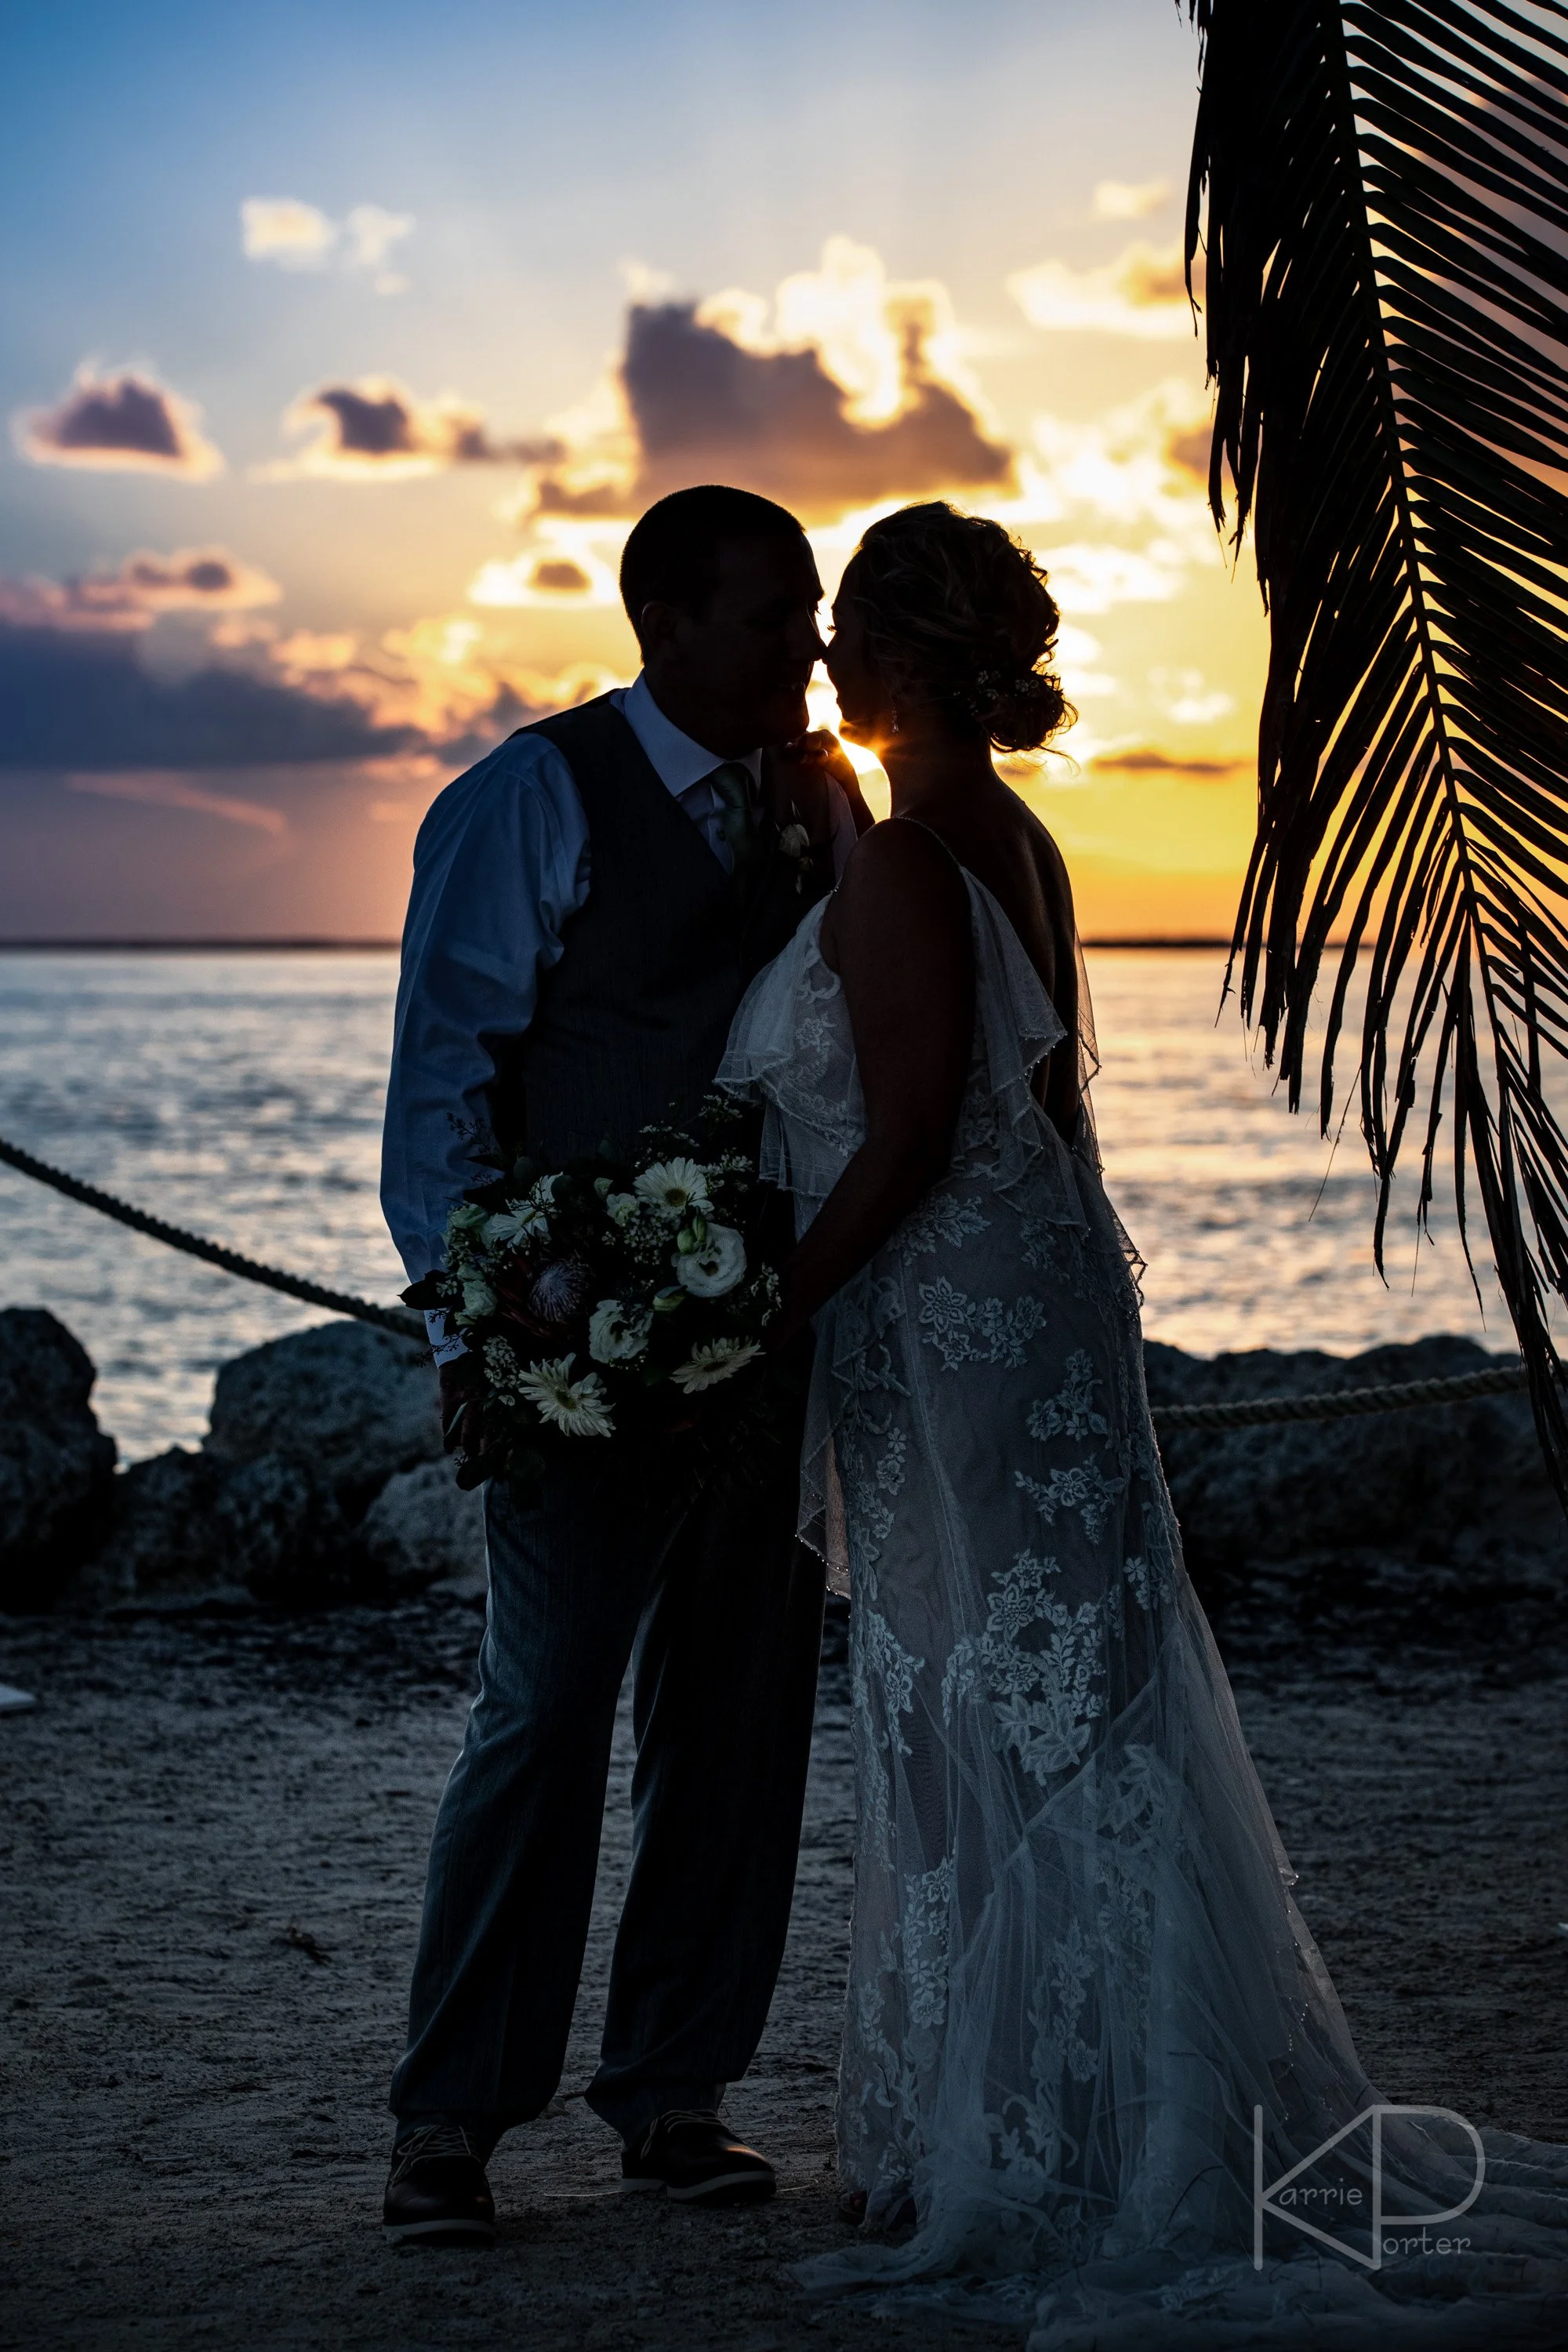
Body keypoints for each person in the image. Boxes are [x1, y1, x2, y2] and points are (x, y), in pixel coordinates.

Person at [718, 501, 1568, 2343]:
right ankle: (1054, 2098)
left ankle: (1031, 2131)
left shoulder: (903, 852)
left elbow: (916, 1126)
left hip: (951, 1322)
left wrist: (764, 1313)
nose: (823, 657)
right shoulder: (1005, 830)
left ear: (912, 656)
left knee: (981, 1690)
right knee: (1055, 1689)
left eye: (847, 626)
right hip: (1023, 1312)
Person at [378, 484, 868, 2244]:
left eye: (810, 609)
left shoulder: (826, 796)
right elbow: (444, 1079)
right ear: (664, 621)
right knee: (543, 1716)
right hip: (570, 1349)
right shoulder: (527, 798)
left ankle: (674, 2095)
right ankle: (448, 2125)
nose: (805, 644)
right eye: (770, 614)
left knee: (736, 1724)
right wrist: (471, 1329)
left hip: (771, 1341)